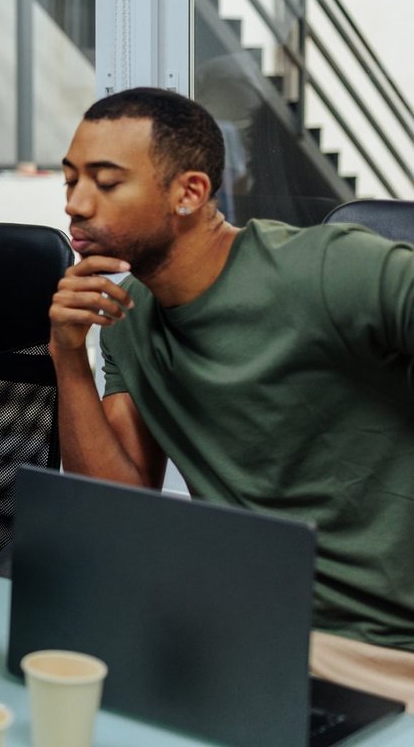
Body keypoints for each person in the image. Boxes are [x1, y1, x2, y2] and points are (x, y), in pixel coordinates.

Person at [50, 87, 414, 706]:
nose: (76, 204)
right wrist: (68, 357)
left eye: (106, 183)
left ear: (190, 193)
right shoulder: (130, 323)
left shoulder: (332, 271)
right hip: (245, 633)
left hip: (380, 650)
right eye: (71, 179)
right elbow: (123, 510)